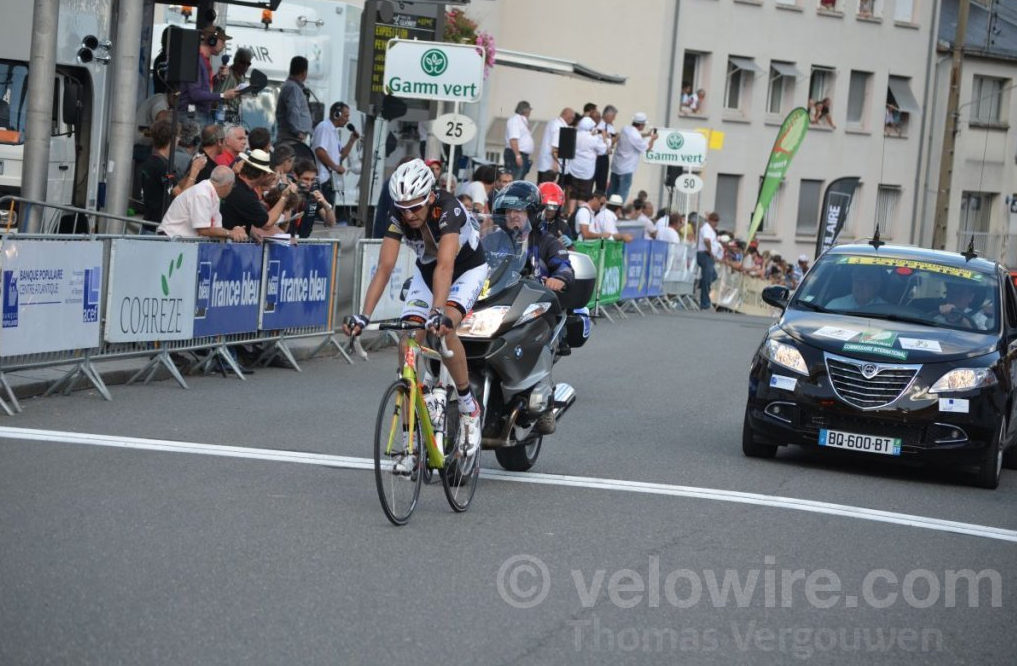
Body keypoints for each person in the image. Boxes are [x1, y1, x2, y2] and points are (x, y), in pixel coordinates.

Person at [343, 159, 488, 467]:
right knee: (409, 337)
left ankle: (467, 406)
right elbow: (385, 267)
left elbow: (446, 265)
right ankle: (411, 441)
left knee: (443, 328)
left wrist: (438, 313)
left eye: (415, 208)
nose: (409, 215)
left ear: (430, 197)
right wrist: (363, 315)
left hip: (465, 270)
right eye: (403, 208)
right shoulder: (398, 213)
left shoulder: (449, 210)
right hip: (427, 271)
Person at [157, 166, 247, 241]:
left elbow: (216, 229)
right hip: (170, 241)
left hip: (180, 242)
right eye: (232, 186)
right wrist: (230, 233)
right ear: (228, 185)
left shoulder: (211, 193)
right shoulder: (203, 193)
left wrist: (236, 231)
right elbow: (203, 230)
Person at [220, 149, 293, 240]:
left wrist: (251, 232)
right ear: (263, 174)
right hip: (227, 247)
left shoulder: (234, 182)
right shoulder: (246, 196)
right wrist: (284, 198)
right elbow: (267, 224)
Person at [177, 26, 240, 126]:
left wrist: (216, 78)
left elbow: (202, 88)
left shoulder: (203, 60)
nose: (224, 45)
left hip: (200, 115)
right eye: (222, 41)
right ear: (212, 41)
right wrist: (223, 95)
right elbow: (195, 94)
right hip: (193, 116)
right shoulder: (196, 60)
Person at [312, 101, 360, 207]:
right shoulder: (324, 127)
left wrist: (352, 140)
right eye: (346, 116)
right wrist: (336, 167)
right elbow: (319, 150)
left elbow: (340, 156)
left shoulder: (334, 131)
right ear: (336, 114)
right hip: (322, 180)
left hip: (329, 180)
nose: (348, 119)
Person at [607, 112, 657, 203]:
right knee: (621, 196)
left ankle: (607, 210)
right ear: (641, 125)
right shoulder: (636, 137)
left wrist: (646, 135)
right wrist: (653, 138)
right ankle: (616, 211)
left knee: (611, 193)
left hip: (616, 167)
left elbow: (635, 136)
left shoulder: (625, 129)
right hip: (626, 170)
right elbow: (648, 148)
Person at [566, 117, 607, 213]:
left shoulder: (575, 135)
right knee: (583, 194)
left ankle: (570, 213)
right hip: (586, 170)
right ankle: (581, 213)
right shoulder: (593, 139)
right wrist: (604, 137)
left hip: (574, 168)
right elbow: (603, 150)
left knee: (573, 192)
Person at [276, 56, 313, 143]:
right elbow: (293, 110)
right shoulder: (293, 88)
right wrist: (297, 131)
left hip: (292, 137)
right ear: (304, 72)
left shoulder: (291, 86)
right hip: (292, 139)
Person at [535, 107, 575, 184]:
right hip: (550, 165)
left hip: (545, 163)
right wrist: (556, 163)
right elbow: (555, 147)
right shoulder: (559, 126)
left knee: (541, 186)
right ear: (570, 118)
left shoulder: (553, 122)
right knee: (547, 187)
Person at [214, 47, 252, 124]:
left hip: (234, 117)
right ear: (235, 60)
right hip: (220, 116)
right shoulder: (227, 73)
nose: (245, 66)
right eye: (242, 62)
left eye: (248, 64)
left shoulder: (242, 77)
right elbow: (216, 93)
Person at [504, 100, 534, 180]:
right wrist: (517, 155)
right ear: (526, 110)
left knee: (520, 179)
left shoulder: (521, 120)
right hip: (515, 153)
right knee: (515, 179)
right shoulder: (515, 120)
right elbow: (513, 139)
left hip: (522, 155)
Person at [696, 212, 719, 310]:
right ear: (709, 220)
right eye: (714, 221)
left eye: (716, 221)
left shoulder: (710, 229)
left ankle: (699, 284)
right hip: (705, 254)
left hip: (708, 255)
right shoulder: (706, 228)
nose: (715, 223)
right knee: (708, 278)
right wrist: (710, 251)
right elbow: (706, 240)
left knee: (712, 276)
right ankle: (705, 303)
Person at [594, 105, 617, 193]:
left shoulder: (611, 127)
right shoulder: (598, 123)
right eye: (613, 117)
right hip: (596, 155)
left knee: (602, 182)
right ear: (607, 115)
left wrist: (614, 139)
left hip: (605, 156)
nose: (614, 119)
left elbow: (612, 141)